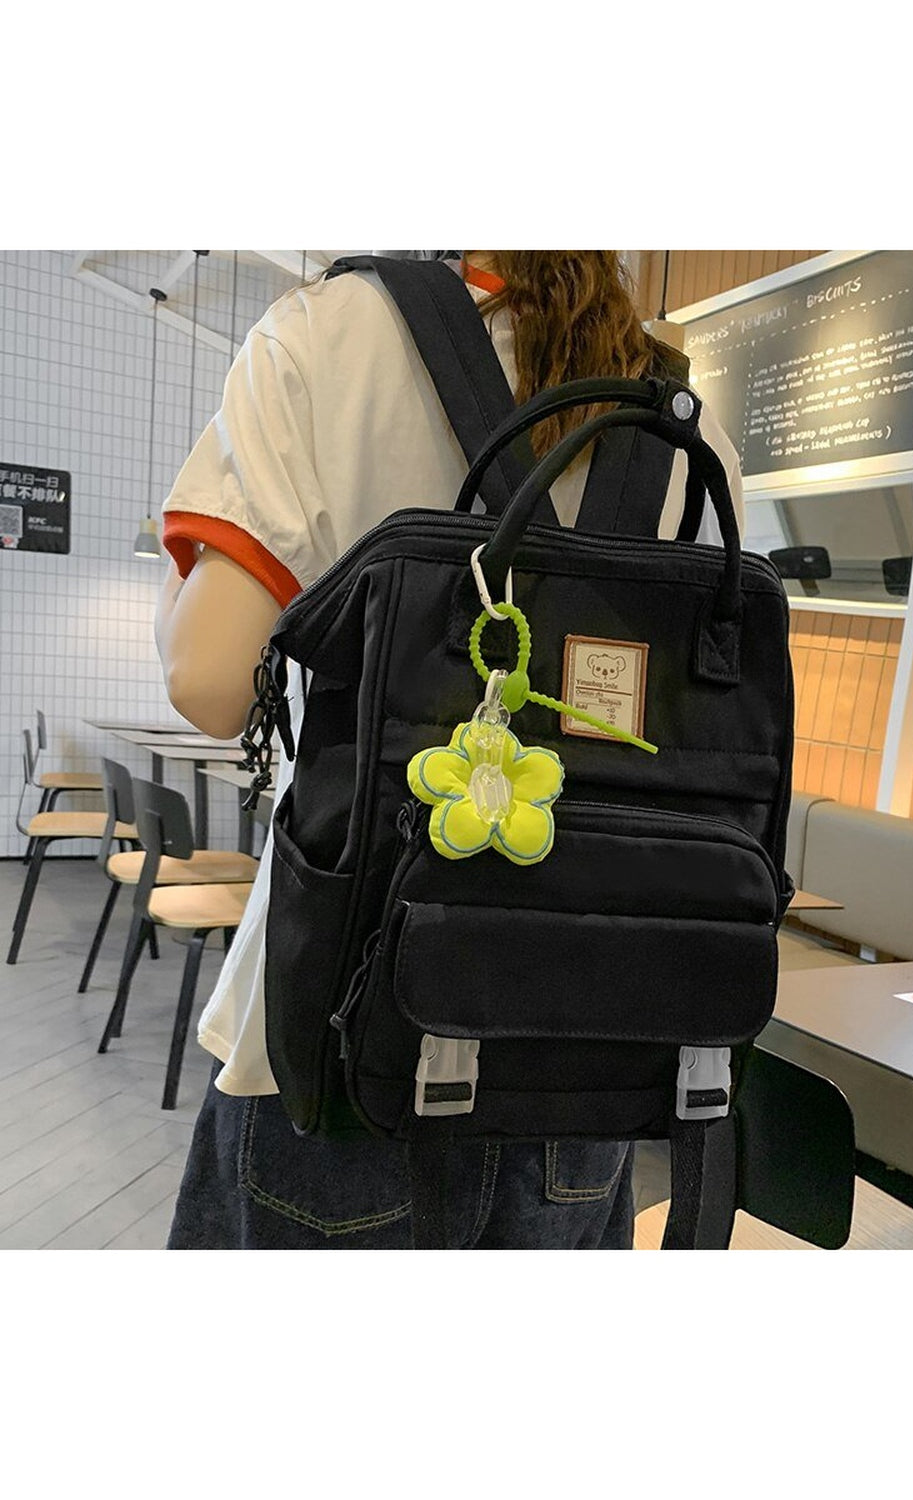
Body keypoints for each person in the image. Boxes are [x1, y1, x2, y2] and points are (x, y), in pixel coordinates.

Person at [155, 251, 745, 1249]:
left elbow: (210, 686)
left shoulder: (324, 335)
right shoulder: (684, 420)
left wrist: (173, 587)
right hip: (589, 1051)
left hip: (343, 1036)